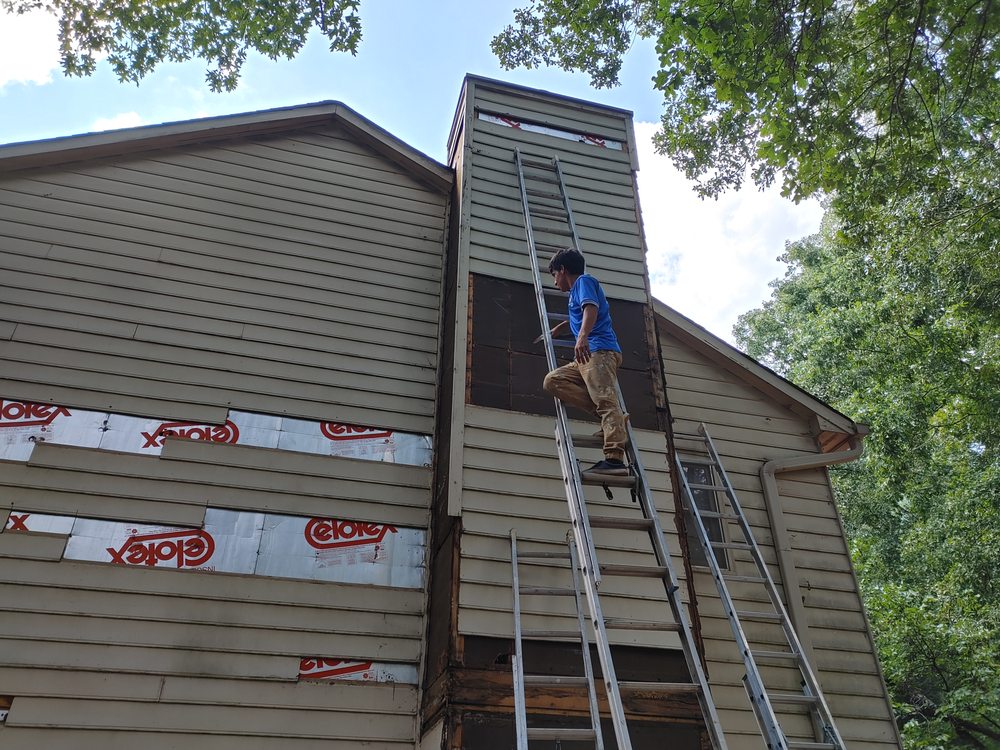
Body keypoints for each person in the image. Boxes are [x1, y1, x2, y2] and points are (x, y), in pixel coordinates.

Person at [540, 247, 628, 476]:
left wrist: (582, 337)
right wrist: (564, 328)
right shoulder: (576, 292)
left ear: (563, 270)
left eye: (554, 275)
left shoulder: (584, 281)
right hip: (588, 355)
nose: (555, 281)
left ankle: (615, 459)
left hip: (599, 351)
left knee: (605, 400)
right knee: (553, 381)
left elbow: (591, 309)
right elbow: (583, 315)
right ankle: (613, 422)